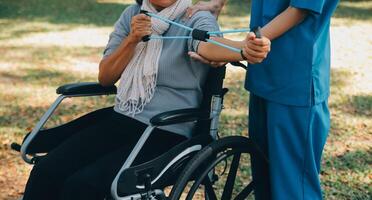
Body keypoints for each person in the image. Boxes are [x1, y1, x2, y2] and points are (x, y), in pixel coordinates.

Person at [22, 0, 270, 199]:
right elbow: (106, 77)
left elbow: (209, 46)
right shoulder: (131, 15)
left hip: (165, 130)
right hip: (122, 120)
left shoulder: (195, 16)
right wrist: (131, 40)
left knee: (83, 185)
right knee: (47, 171)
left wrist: (242, 49)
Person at [188, 0, 339, 199]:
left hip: (295, 82)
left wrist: (242, 48)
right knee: (264, 183)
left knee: (293, 188)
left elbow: (299, 9)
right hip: (263, 76)